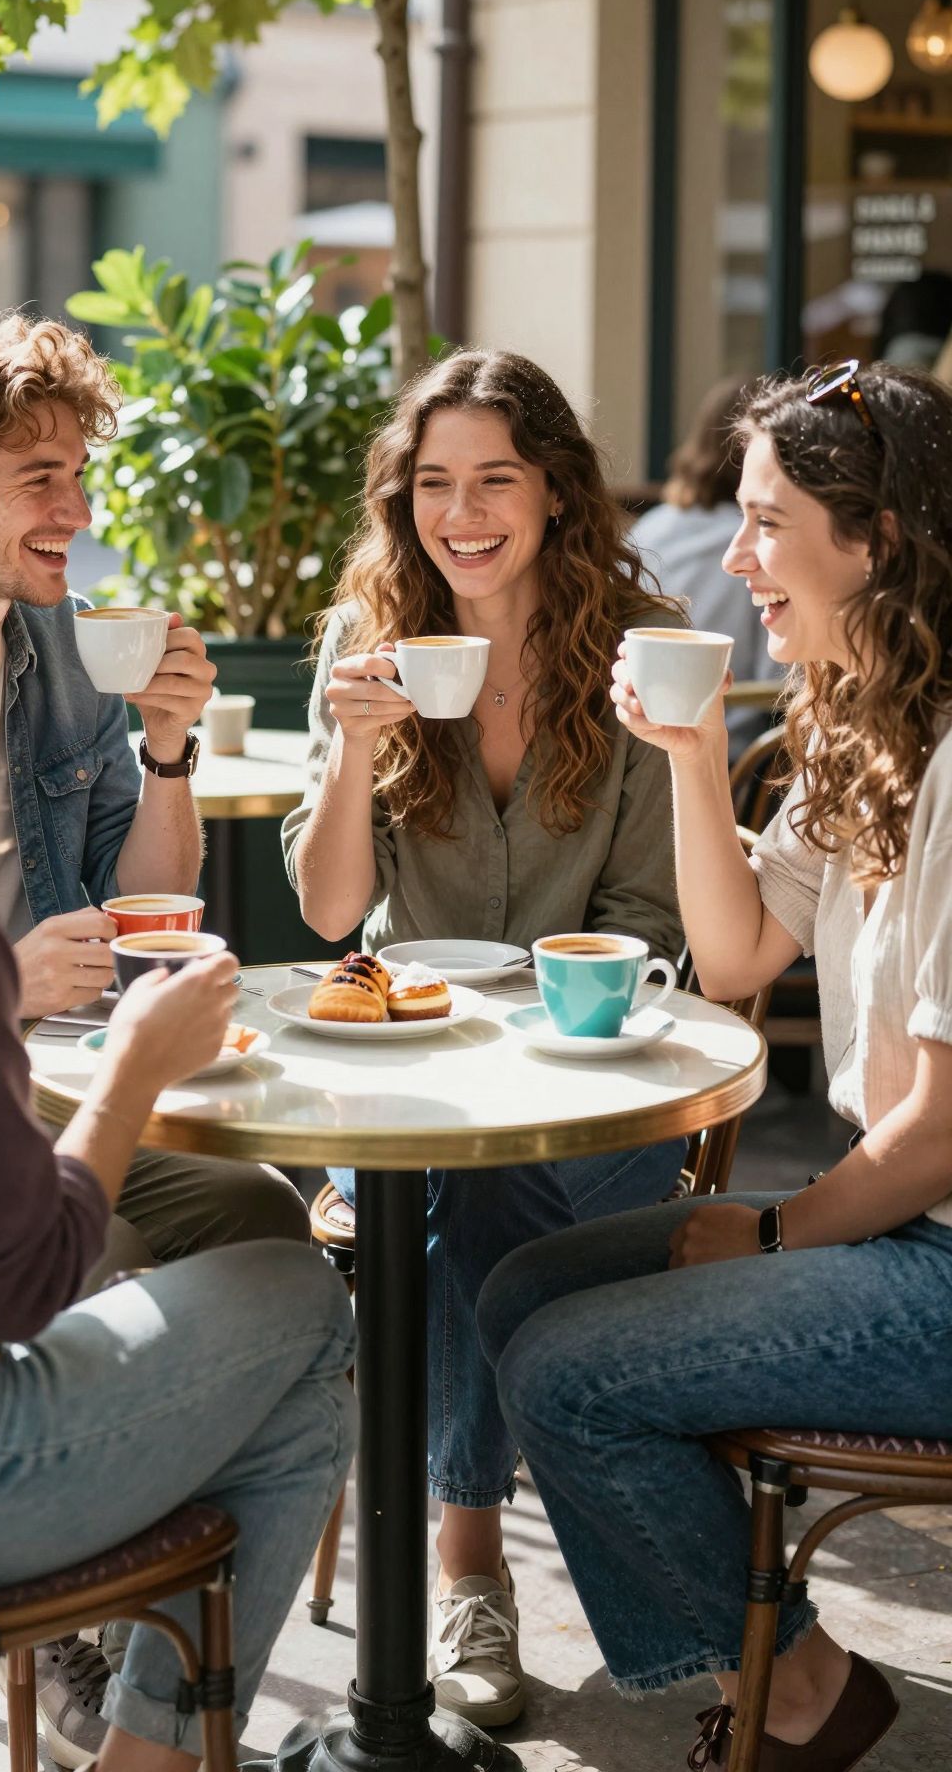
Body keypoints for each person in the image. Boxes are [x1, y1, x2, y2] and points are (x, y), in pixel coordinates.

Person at [0, 450, 356, 1772]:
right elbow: (20, 1281)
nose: (9, 646)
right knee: (302, 1301)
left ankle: (149, 1751)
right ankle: (153, 1756)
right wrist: (135, 1070)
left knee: (260, 1320)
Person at [479, 358, 952, 1769]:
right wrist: (691, 752)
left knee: (569, 1373)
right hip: (897, 1234)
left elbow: (936, 1134)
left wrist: (767, 1227)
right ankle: (781, 1666)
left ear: (873, 540)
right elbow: (740, 954)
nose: (734, 553)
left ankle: (795, 1699)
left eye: (766, 521)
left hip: (932, 1253)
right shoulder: (860, 721)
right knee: (524, 1290)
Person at [281, 348, 686, 1727]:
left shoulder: (640, 652)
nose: (464, 513)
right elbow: (335, 912)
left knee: (484, 1194)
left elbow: (647, 919)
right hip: (415, 1090)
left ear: (556, 493)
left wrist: (543, 1017)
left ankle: (463, 1565)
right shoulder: (367, 649)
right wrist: (347, 752)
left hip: (603, 1102)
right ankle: (517, 1552)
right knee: (470, 1182)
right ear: (406, 504)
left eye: (496, 480)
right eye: (435, 482)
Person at [629, 374, 784, 761]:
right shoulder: (767, 548)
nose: (734, 560)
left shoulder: (648, 529)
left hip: (636, 742)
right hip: (732, 761)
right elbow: (780, 684)